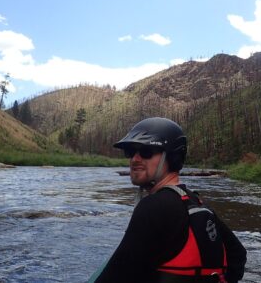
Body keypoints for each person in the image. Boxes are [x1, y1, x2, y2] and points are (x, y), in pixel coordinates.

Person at [94, 117, 247, 283]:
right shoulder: (195, 201)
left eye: (146, 152)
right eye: (130, 152)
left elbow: (114, 277)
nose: (135, 159)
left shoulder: (152, 207)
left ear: (172, 157)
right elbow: (238, 256)